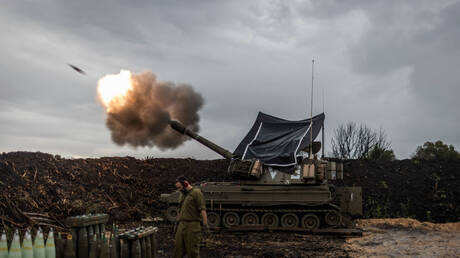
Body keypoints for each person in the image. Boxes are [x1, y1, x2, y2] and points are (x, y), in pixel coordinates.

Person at [174, 176, 208, 258]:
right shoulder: (182, 194)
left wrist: (205, 225)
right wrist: (177, 223)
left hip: (192, 226)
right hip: (181, 225)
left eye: (180, 187)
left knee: (192, 251)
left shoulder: (196, 193)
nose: (179, 189)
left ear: (185, 184)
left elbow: (202, 209)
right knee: (178, 250)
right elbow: (180, 209)